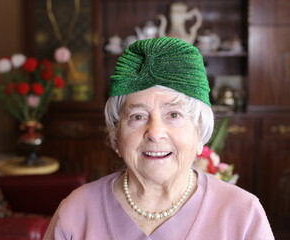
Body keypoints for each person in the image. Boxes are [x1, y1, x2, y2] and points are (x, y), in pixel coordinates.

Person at [43, 37, 274, 239]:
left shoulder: (242, 213)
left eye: (173, 114)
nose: (154, 132)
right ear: (116, 136)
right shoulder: (76, 211)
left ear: (199, 133)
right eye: (137, 116)